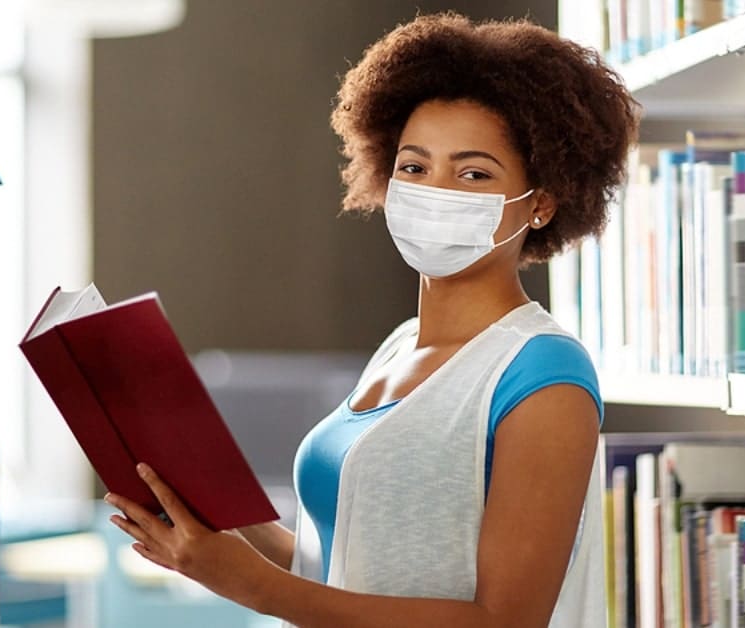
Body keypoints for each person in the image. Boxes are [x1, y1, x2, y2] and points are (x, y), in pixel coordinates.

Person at [104, 12, 638, 627]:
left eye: (473, 173)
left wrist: (250, 585)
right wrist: (210, 523)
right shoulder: (399, 348)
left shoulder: (545, 373)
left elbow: (505, 621)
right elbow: (331, 570)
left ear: (541, 203)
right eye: (414, 166)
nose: (435, 190)